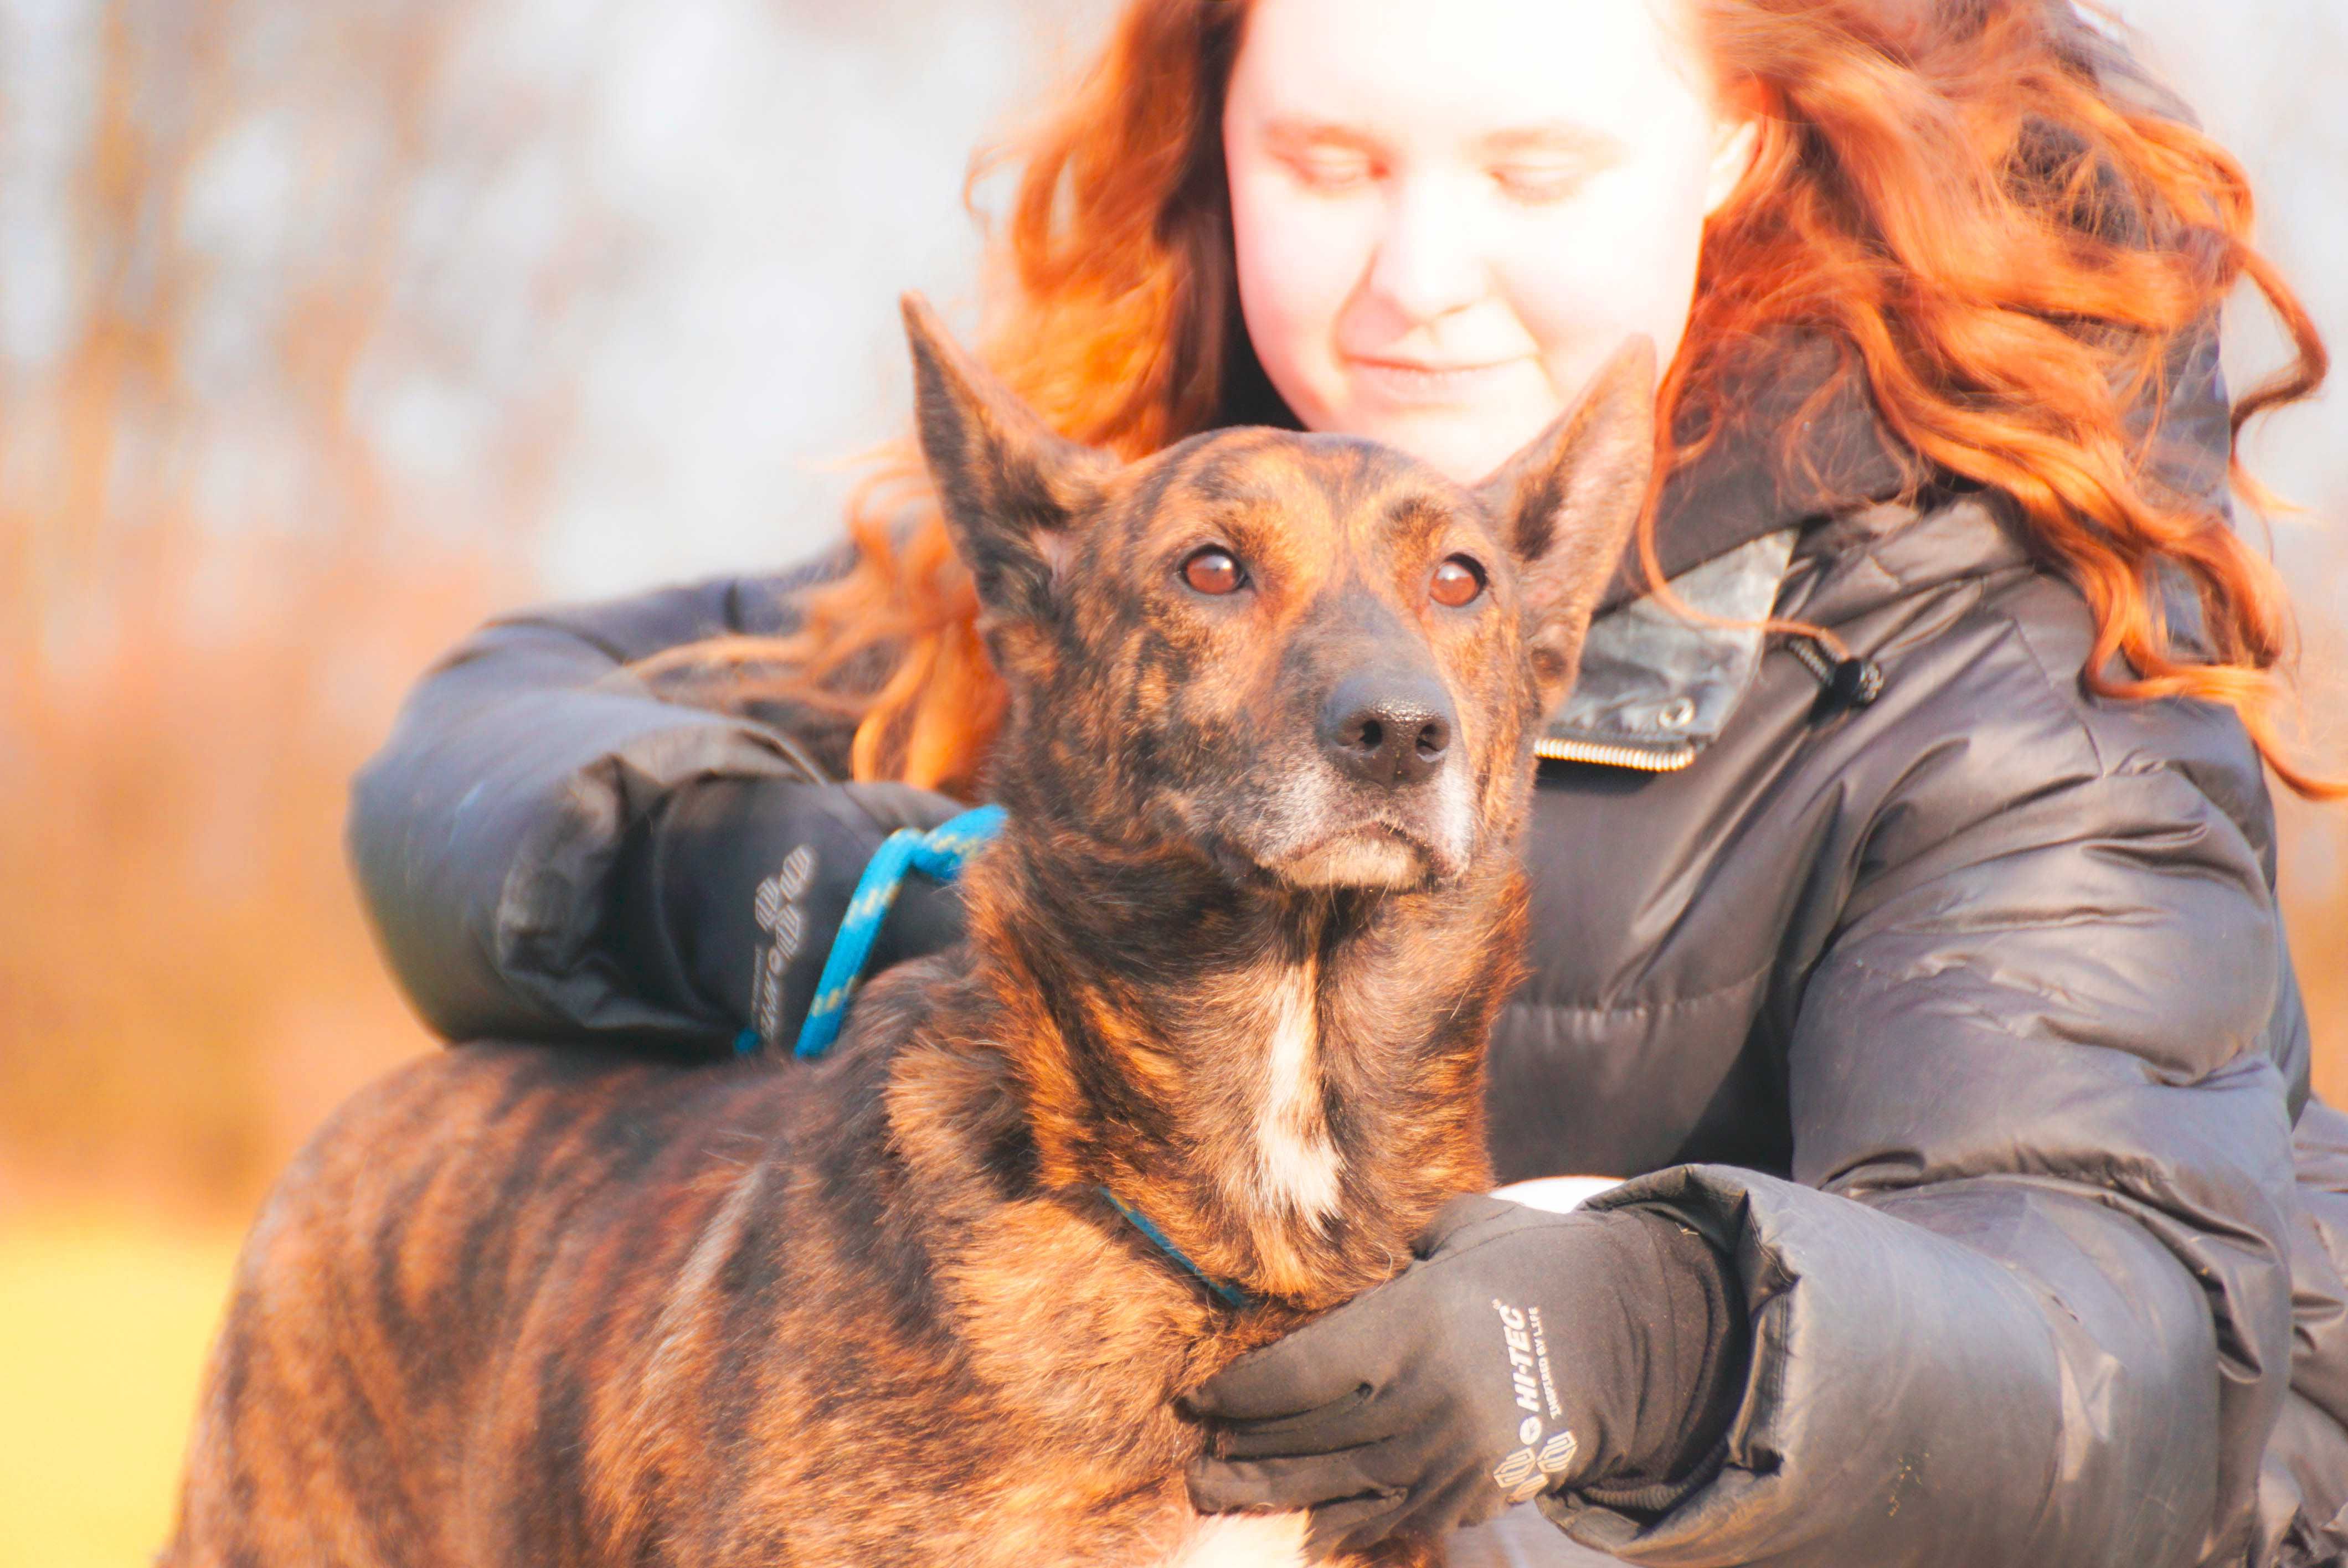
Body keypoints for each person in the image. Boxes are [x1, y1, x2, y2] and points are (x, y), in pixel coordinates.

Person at [347, 0, 2348, 1562]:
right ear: (1217, 135)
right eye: (1329, 158)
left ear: (1742, 138)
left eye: (1532, 169)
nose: (1415, 274)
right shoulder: (1150, 538)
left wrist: (1651, 1334)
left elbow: (2132, 1358)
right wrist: (745, 882)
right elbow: (475, 741)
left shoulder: (2014, 670)